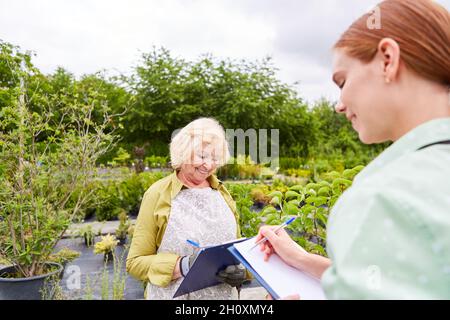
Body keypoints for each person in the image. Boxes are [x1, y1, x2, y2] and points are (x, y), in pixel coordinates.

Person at [256, 0, 450, 299]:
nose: (339, 104)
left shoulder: (382, 197)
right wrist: (301, 259)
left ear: (388, 59)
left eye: (342, 81)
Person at [126, 117, 247, 299]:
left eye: (215, 158)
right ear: (184, 152)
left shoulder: (222, 194)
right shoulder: (158, 194)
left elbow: (235, 251)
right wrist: (184, 265)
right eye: (202, 156)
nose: (209, 165)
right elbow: (135, 263)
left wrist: (240, 270)